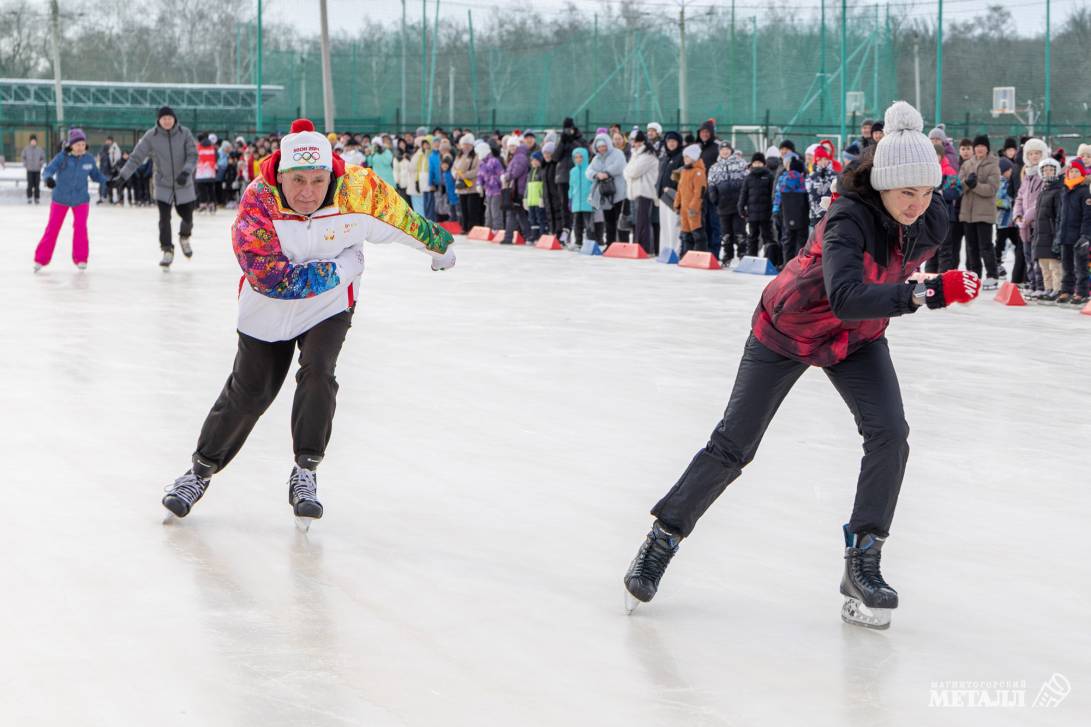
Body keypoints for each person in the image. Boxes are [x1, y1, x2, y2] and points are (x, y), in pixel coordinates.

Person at [622, 101, 982, 631]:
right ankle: (663, 538)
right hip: (787, 330)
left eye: (927, 191)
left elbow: (875, 293)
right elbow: (845, 295)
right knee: (733, 444)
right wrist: (925, 294)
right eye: (908, 191)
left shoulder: (932, 219)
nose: (918, 203)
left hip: (857, 340)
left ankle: (863, 561)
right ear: (882, 183)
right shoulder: (847, 218)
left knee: (890, 434)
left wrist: (916, 287)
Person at [159, 119, 455, 527]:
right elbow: (270, 276)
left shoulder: (356, 190)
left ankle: (305, 472)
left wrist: (438, 247)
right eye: (298, 180)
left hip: (329, 308)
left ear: (331, 174)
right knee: (250, 393)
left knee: (319, 372)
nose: (308, 193)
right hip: (268, 308)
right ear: (280, 175)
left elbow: (400, 219)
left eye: (318, 181)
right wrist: (342, 268)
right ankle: (199, 472)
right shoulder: (259, 201)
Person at [114, 106, 197, 268]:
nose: (167, 121)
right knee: (164, 219)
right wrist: (122, 176)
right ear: (159, 120)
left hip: (183, 183)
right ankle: (167, 250)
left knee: (188, 217)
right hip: (163, 184)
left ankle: (184, 237)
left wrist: (186, 172)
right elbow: (136, 158)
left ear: (174, 119)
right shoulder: (151, 136)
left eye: (169, 118)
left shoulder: (184, 133)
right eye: (163, 118)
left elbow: (193, 155)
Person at [34, 128, 109, 272]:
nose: (80, 147)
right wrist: (48, 179)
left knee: (81, 228)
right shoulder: (62, 157)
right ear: (71, 145)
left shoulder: (88, 159)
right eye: (77, 144)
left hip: (81, 199)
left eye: (82, 144)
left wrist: (108, 181)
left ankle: (81, 258)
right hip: (60, 198)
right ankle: (40, 259)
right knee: (53, 228)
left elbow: (96, 175)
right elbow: (48, 170)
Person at [958, 135, 1001, 289]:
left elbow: (992, 189)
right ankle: (974, 274)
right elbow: (959, 187)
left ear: (987, 148)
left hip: (984, 213)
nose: (979, 149)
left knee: (985, 246)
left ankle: (992, 275)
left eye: (982, 146)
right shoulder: (967, 164)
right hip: (967, 213)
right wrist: (967, 183)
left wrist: (975, 186)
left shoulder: (993, 165)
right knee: (971, 246)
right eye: (977, 146)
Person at [1013, 138, 1049, 294]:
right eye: (1031, 153)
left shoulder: (1045, 174)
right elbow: (1020, 197)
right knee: (1027, 254)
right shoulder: (1027, 175)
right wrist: (1017, 215)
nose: (1034, 156)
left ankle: (1040, 285)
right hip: (1024, 225)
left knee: (1037, 255)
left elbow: (1042, 200)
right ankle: (1032, 282)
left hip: (1038, 223)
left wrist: (1026, 217)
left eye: (1037, 153)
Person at [1056, 163, 1091, 305]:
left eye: (1077, 171)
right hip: (1065, 235)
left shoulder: (1085, 192)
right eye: (1072, 171)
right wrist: (1058, 235)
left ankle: (1081, 292)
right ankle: (1066, 290)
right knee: (1066, 265)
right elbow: (1060, 216)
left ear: (1082, 174)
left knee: (1080, 266)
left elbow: (1088, 216)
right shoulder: (1065, 191)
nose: (1074, 174)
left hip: (1078, 236)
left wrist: (1085, 236)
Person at [708, 143, 748, 265]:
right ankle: (727, 255)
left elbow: (747, 181)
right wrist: (713, 196)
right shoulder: (714, 167)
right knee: (726, 233)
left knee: (739, 231)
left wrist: (745, 199)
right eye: (722, 150)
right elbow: (711, 183)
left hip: (738, 204)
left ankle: (742, 253)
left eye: (727, 149)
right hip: (723, 205)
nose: (725, 152)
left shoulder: (741, 163)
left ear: (731, 151)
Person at [1032, 158, 1064, 303]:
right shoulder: (1043, 191)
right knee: (1044, 265)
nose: (1048, 172)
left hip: (1051, 234)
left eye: (1051, 169)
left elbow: (1059, 216)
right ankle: (1048, 288)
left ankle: (1057, 289)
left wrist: (1057, 235)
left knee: (1054, 266)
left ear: (1056, 171)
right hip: (1041, 235)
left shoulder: (1058, 191)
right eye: (1045, 170)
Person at [623, 130, 660, 255]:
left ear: (643, 142)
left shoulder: (648, 156)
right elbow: (627, 170)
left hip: (645, 192)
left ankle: (645, 248)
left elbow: (632, 172)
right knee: (638, 222)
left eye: (639, 141)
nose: (636, 144)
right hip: (636, 192)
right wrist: (629, 172)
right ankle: (639, 246)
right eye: (635, 141)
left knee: (643, 222)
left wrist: (628, 172)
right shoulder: (636, 154)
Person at [587, 132, 628, 245]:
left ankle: (622, 244)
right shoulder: (596, 159)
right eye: (599, 147)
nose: (602, 149)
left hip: (619, 193)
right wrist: (596, 175)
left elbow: (620, 166)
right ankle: (610, 244)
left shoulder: (617, 153)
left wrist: (606, 173)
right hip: (605, 194)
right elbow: (589, 171)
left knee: (619, 220)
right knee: (609, 221)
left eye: (604, 146)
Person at [738, 152, 776, 262]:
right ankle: (752, 259)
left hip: (766, 213)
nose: (757, 165)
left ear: (763, 164)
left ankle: (769, 259)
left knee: (767, 236)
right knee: (752, 237)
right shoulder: (748, 177)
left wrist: (772, 210)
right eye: (755, 162)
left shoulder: (769, 176)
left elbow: (773, 194)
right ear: (752, 164)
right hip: (752, 213)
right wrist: (741, 207)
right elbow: (743, 194)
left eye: (759, 163)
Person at [772, 156, 809, 266]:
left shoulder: (783, 179)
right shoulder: (804, 181)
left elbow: (777, 196)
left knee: (787, 240)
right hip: (802, 216)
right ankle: (799, 265)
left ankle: (786, 265)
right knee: (801, 241)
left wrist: (775, 209)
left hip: (786, 215)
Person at [656, 131, 684, 259]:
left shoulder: (681, 156)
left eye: (673, 141)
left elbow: (681, 178)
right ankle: (665, 251)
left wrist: (673, 190)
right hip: (663, 196)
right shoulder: (666, 157)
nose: (671, 144)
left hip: (674, 196)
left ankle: (675, 252)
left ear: (678, 142)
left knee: (674, 225)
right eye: (668, 141)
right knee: (665, 226)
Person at [674, 144, 707, 254]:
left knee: (697, 233)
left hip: (694, 210)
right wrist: (677, 204)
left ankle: (699, 254)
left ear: (694, 157)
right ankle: (685, 255)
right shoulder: (684, 172)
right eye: (684, 157)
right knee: (685, 234)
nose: (685, 159)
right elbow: (680, 189)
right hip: (684, 209)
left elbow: (699, 192)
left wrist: (694, 207)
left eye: (687, 157)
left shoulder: (698, 172)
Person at [453, 135, 483, 230]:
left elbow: (477, 170)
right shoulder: (459, 156)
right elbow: (453, 168)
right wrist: (455, 174)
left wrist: (465, 175)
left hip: (472, 187)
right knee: (463, 209)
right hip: (461, 187)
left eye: (468, 144)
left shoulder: (476, 156)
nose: (465, 146)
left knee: (472, 209)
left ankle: (472, 227)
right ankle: (465, 227)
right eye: (464, 144)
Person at [568, 147, 594, 251]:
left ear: (586, 158)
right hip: (576, 202)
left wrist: (592, 197)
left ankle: (590, 243)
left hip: (587, 201)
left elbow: (593, 184)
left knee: (588, 224)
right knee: (577, 224)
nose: (578, 159)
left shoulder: (589, 170)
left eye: (581, 157)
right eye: (576, 157)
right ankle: (578, 242)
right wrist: (570, 198)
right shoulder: (572, 171)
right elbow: (571, 186)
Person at [195, 134, 219, 214]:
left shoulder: (198, 147)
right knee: (211, 188)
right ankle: (212, 204)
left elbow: (195, 157)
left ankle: (203, 204)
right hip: (211, 171)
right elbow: (216, 157)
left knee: (201, 189)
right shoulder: (213, 147)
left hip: (201, 172)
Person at [22, 134, 45, 205]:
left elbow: (43, 158)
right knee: (30, 184)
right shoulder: (26, 149)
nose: (33, 142)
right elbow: (23, 157)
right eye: (32, 141)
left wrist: (40, 163)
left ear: (36, 142)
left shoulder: (40, 149)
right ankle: (29, 198)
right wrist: (25, 164)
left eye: (34, 141)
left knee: (37, 185)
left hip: (37, 170)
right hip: (29, 170)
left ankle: (37, 198)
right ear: (30, 141)